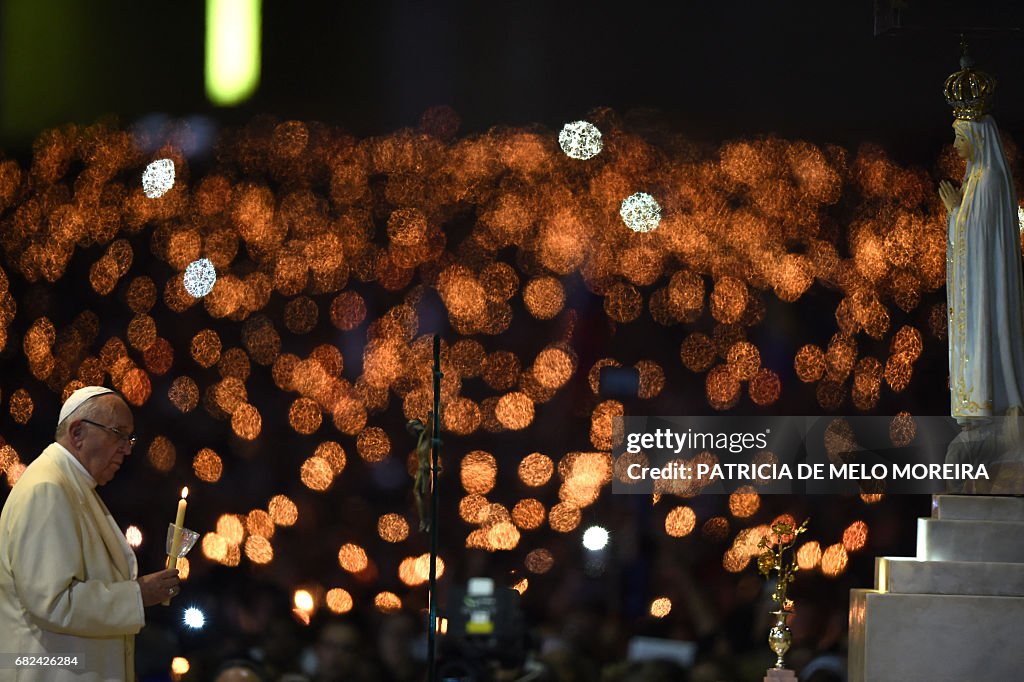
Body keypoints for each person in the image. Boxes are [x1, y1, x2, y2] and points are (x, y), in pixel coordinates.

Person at [0, 386, 181, 681]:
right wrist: (138, 594)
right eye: (118, 434)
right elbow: (53, 602)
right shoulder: (47, 489)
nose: (127, 448)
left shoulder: (71, 486)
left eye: (129, 438)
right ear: (77, 433)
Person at [939, 47, 1024, 427]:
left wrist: (957, 213)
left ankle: (991, 400)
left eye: (959, 137)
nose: (956, 146)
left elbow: (981, 241)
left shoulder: (987, 181)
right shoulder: (973, 177)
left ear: (975, 134)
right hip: (973, 288)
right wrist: (957, 212)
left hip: (984, 287)